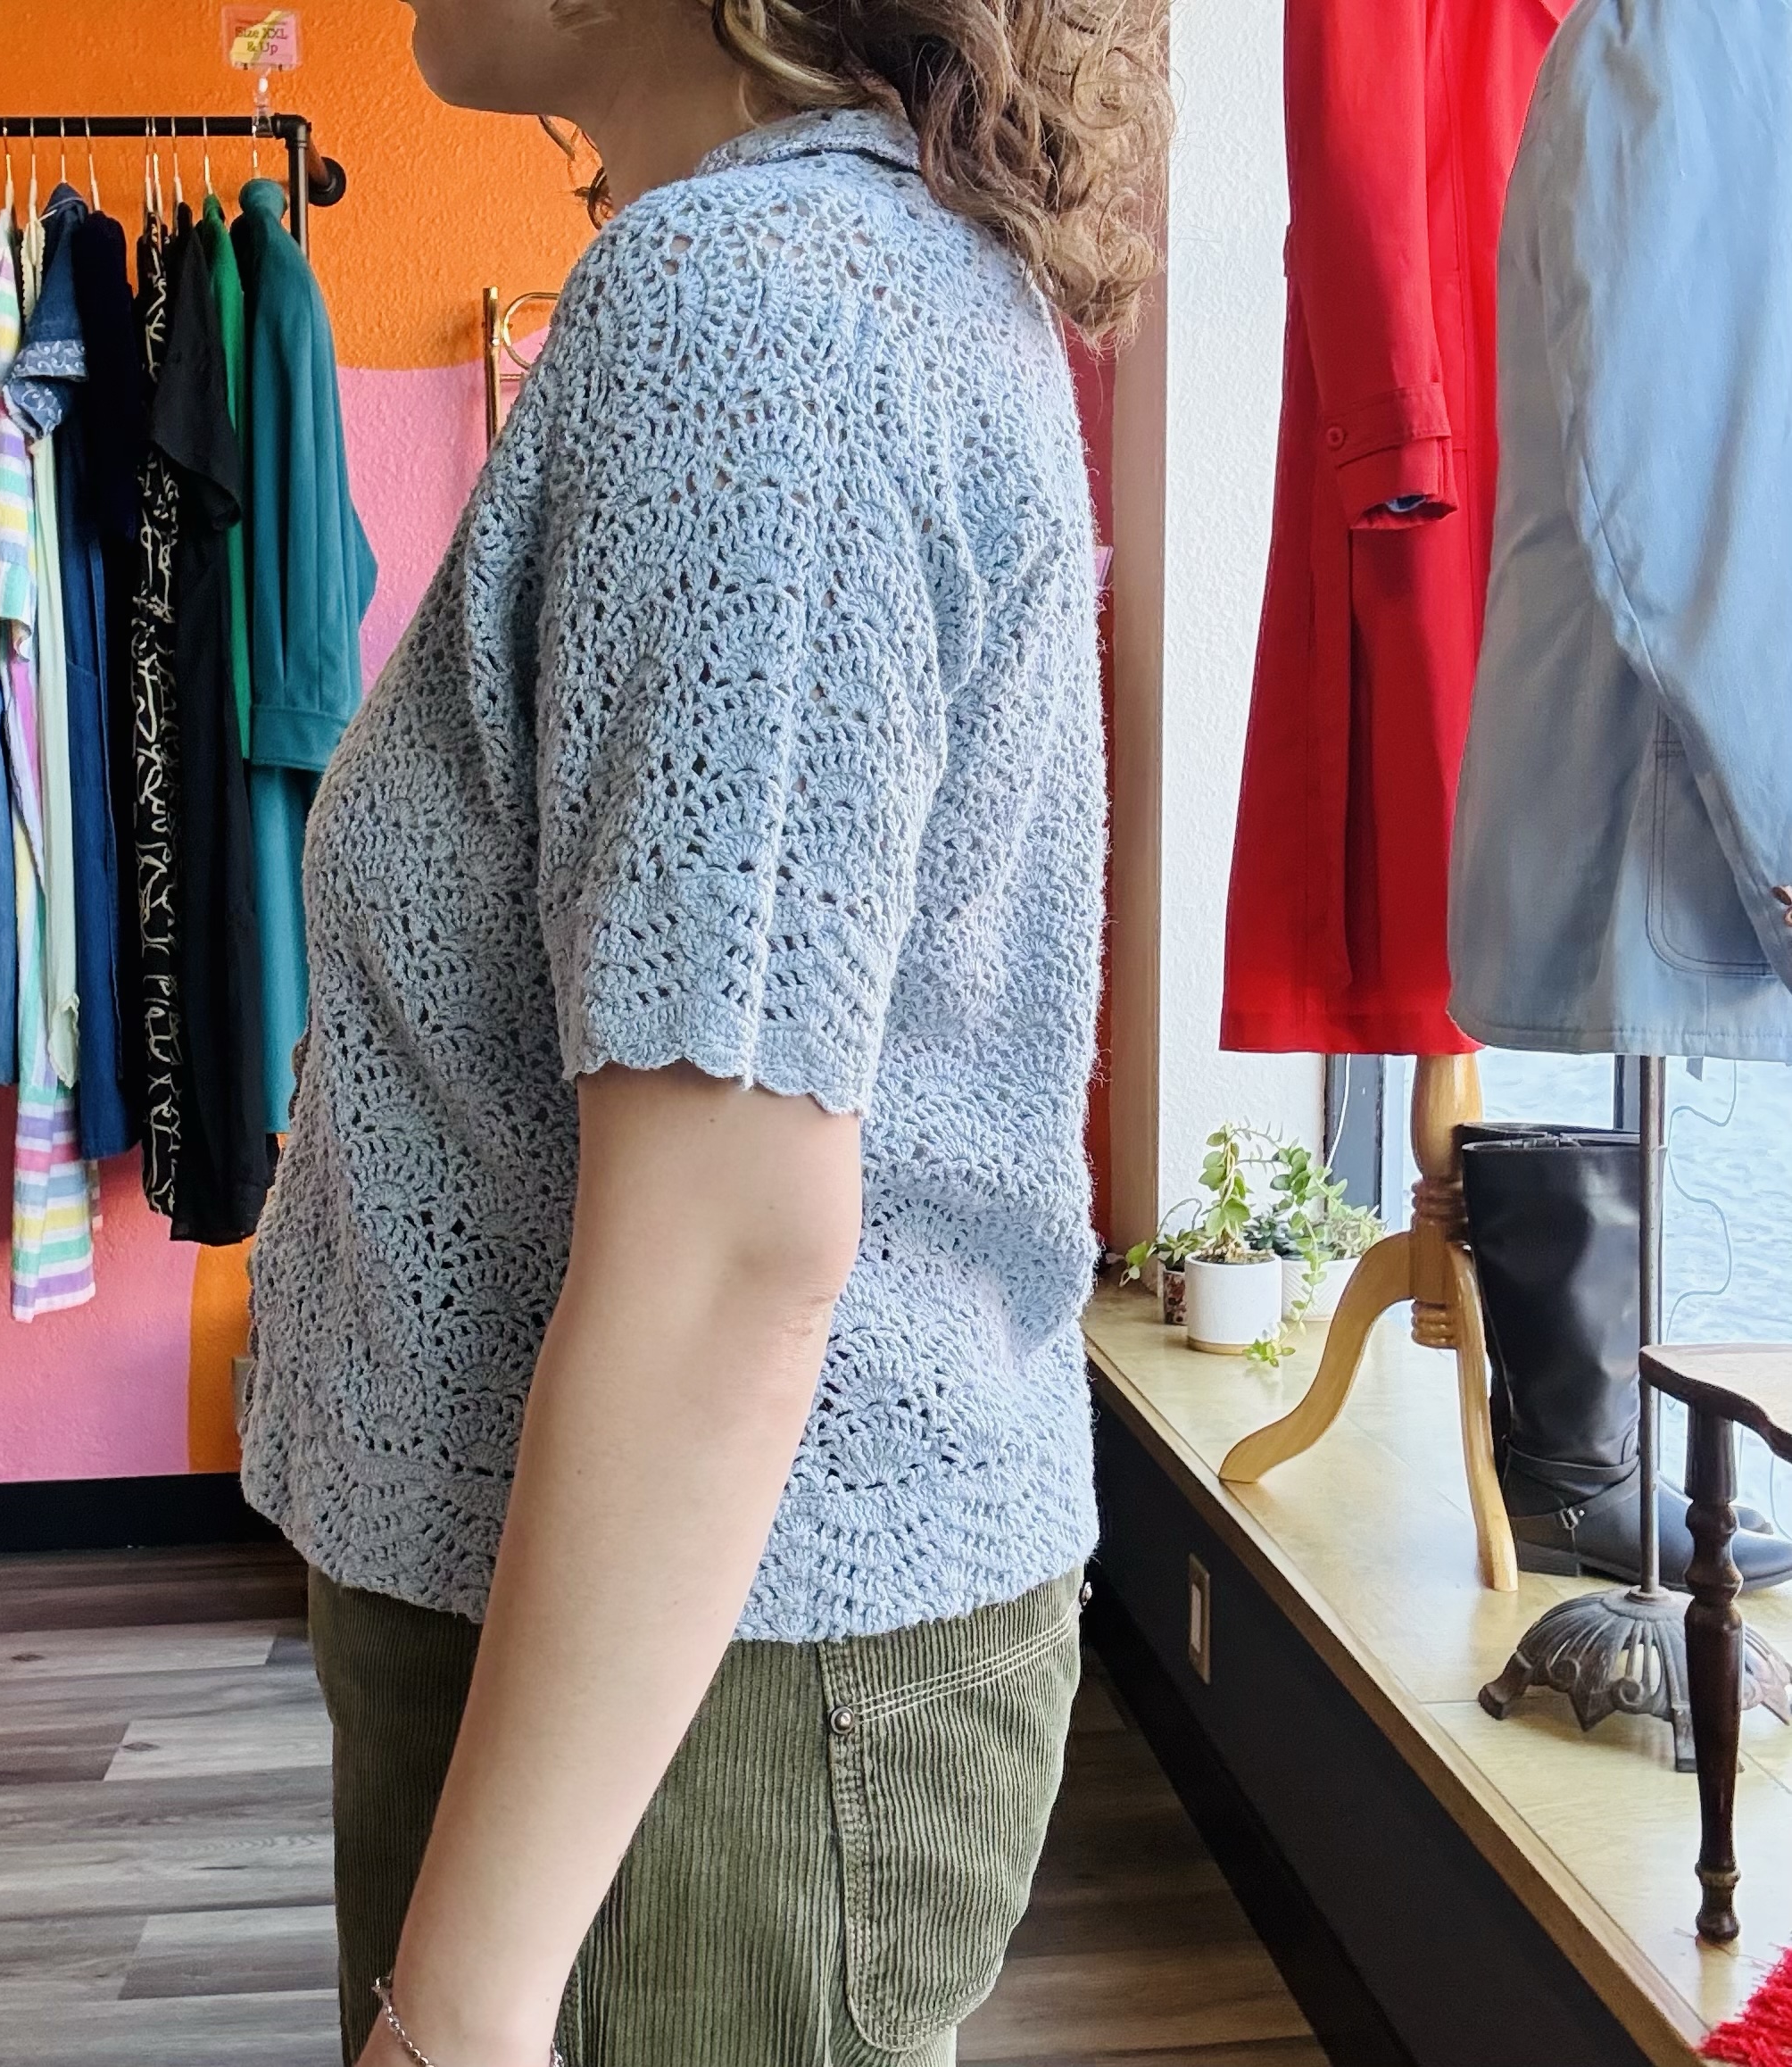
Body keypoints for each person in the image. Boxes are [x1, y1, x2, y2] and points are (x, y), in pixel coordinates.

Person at [238, 3, 1170, 2062]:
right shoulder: (838, 274)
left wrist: (461, 2019)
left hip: (700, 1693)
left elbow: (735, 1243)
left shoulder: (756, 318)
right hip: (684, 1652)